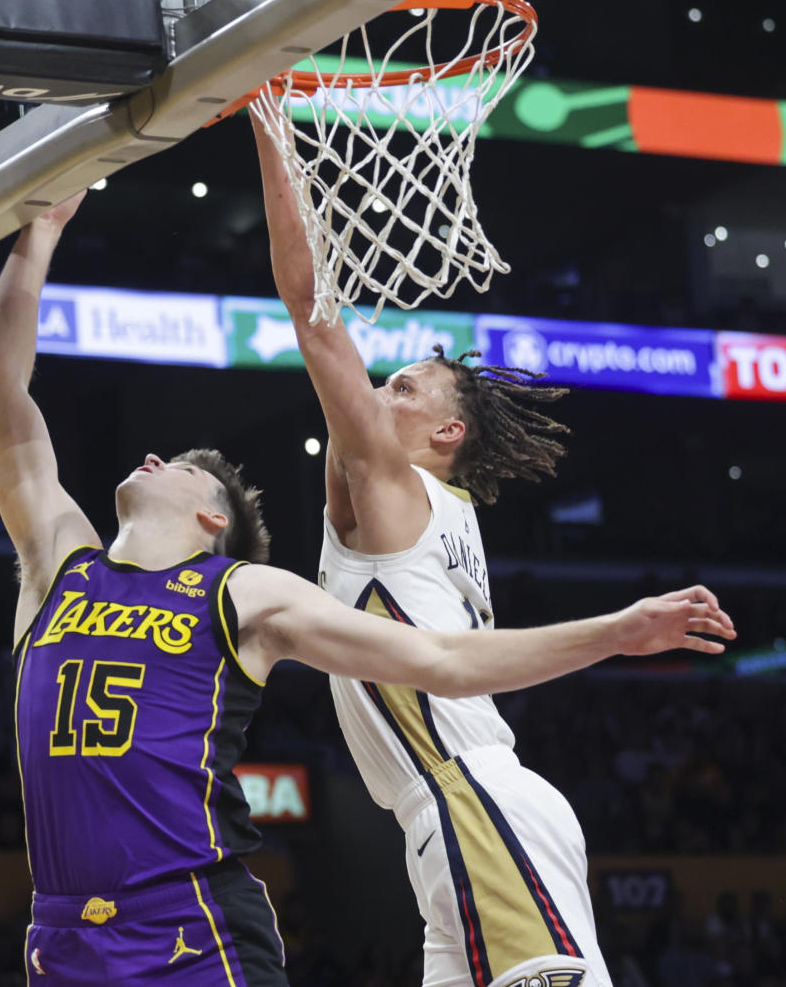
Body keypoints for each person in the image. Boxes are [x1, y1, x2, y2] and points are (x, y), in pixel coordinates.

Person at [0, 192, 734, 987]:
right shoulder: (62, 565)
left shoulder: (246, 587)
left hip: (194, 920)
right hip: (64, 930)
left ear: (211, 517)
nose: (373, 399)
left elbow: (442, 657)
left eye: (399, 389)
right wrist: (42, 230)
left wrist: (617, 631)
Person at [252, 112, 736, 987]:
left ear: (445, 428)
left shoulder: (398, 493)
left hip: (471, 799)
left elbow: (317, 321)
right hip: (453, 810)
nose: (374, 392)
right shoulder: (438, 512)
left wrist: (271, 125)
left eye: (400, 386)